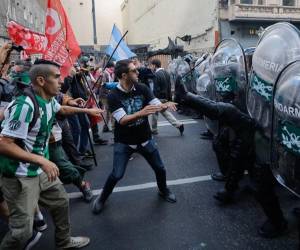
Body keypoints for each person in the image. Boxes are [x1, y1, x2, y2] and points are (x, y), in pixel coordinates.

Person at [0, 59, 103, 249]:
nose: (61, 81)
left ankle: (63, 242)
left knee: (61, 201)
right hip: (19, 176)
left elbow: (61, 108)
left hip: (40, 171)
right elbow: (4, 145)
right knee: (22, 232)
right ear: (40, 80)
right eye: (56, 77)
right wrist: (41, 160)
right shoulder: (24, 106)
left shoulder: (48, 100)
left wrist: (87, 110)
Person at [92, 59, 177, 214]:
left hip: (145, 139)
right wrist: (142, 112)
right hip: (124, 143)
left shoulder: (142, 88)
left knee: (160, 168)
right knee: (117, 174)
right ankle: (102, 198)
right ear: (124, 75)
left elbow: (155, 102)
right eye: (134, 70)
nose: (138, 72)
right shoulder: (113, 96)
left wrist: (164, 104)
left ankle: (163, 190)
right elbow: (123, 120)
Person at [149, 59, 184, 135]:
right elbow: (169, 86)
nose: (150, 67)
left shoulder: (156, 75)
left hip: (158, 98)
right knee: (164, 112)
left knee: (155, 113)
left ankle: (154, 130)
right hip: (165, 97)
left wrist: (153, 99)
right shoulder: (166, 73)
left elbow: (156, 90)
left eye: (151, 65)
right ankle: (179, 125)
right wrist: (169, 99)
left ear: (154, 65)